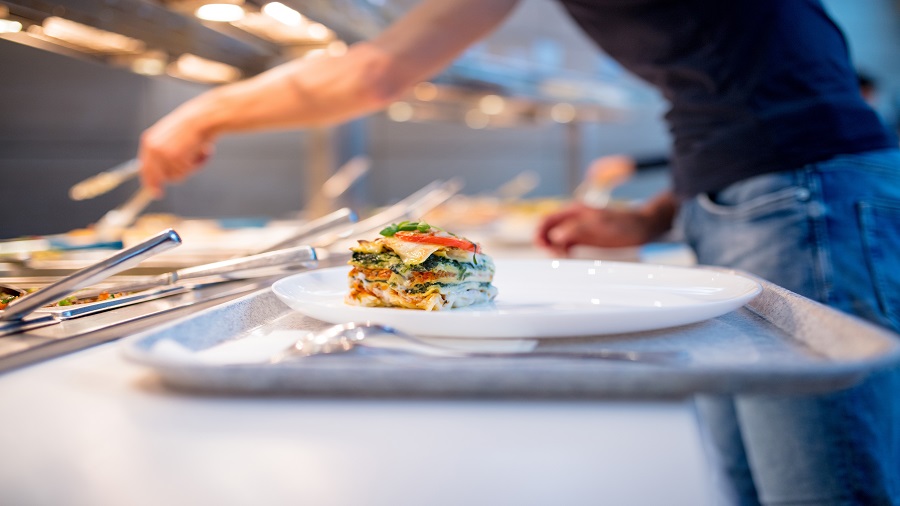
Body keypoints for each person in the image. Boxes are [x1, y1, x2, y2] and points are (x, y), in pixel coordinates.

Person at [138, 0, 900, 504]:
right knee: (751, 484)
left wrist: (207, 111)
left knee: (819, 490)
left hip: (805, 201)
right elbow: (743, 82)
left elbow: (375, 71)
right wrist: (654, 218)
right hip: (767, 196)